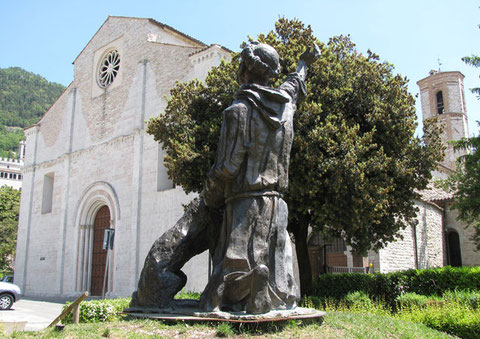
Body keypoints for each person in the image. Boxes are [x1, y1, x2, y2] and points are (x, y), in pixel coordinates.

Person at [201, 42, 319, 314]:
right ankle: (273, 297)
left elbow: (227, 168)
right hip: (277, 206)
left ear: (243, 69)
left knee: (233, 270)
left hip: (244, 207)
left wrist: (208, 195)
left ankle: (246, 292)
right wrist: (304, 64)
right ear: (271, 72)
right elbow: (294, 86)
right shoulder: (285, 106)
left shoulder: (238, 111)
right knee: (277, 264)